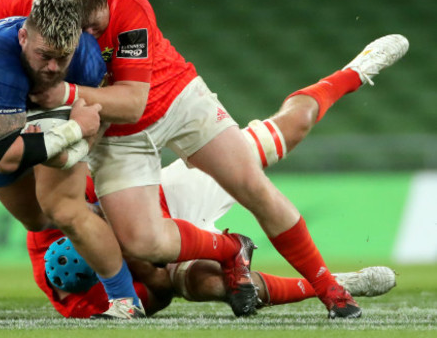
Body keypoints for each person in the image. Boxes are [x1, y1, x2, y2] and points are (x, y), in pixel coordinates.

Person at [0, 0, 409, 319]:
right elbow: (158, 290)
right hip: (123, 146)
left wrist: (59, 96)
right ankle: (314, 276)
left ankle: (352, 72)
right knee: (185, 272)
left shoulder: (126, 5)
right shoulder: (81, 280)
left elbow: (134, 102)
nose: (86, 40)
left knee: (272, 158)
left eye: (93, 28)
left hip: (171, 100)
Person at [27, 45, 401, 317]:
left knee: (294, 126)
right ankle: (336, 283)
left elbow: (117, 183)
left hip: (166, 199)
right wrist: (134, 261)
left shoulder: (56, 217)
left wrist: (125, 232)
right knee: (215, 287)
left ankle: (355, 71)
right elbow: (159, 293)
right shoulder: (82, 305)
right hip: (157, 250)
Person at [0, 0, 145, 319]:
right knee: (36, 220)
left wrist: (71, 147)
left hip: (48, 109)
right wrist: (72, 133)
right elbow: (5, 157)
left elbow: (96, 120)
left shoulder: (85, 57)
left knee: (64, 209)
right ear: (22, 37)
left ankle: (125, 300)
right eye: (44, 54)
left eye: (62, 57)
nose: (52, 67)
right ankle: (103, 220)